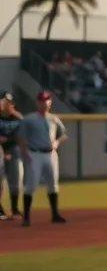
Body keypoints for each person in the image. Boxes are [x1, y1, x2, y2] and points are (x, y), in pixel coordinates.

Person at [17, 90, 68, 226]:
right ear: (37, 103)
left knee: (53, 184)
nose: (44, 104)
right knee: (31, 185)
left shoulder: (54, 119)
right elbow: (21, 137)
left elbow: (63, 134)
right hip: (34, 153)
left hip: (50, 154)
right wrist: (24, 153)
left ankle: (55, 214)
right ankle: (26, 218)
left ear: (50, 103)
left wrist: (57, 142)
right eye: (42, 101)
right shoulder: (29, 119)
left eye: (47, 101)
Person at [0, 91, 23, 219]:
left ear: (13, 104)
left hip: (14, 150)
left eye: (8, 102)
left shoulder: (18, 118)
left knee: (15, 180)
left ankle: (14, 209)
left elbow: (22, 136)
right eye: (4, 101)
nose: (6, 104)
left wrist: (7, 140)